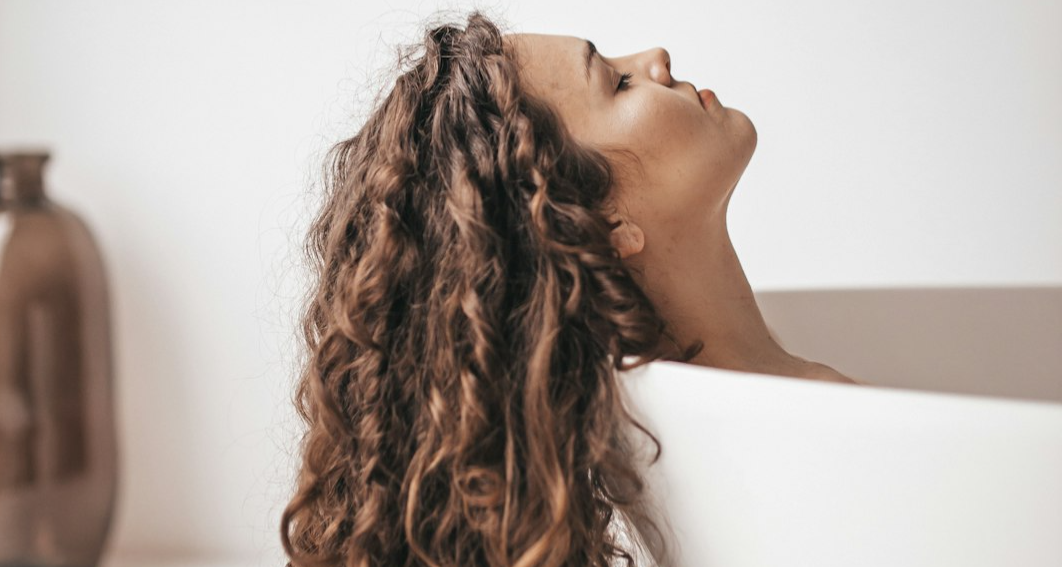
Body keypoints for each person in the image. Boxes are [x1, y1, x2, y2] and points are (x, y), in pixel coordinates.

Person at [280, 9, 863, 567]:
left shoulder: (746, 413)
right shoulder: (806, 428)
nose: (657, 57)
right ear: (601, 225)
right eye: (621, 84)